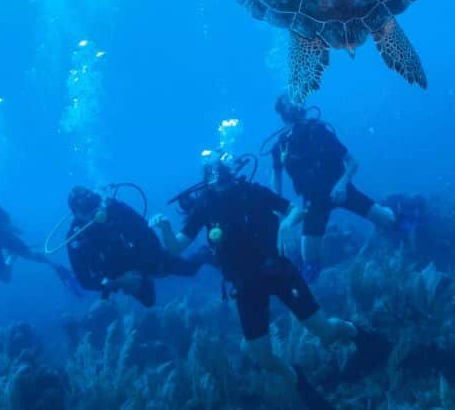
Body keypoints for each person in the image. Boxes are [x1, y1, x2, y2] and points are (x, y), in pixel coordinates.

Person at [152, 153, 367, 408]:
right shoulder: (205, 206)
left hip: (278, 271)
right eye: (214, 170)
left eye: (223, 167)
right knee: (263, 356)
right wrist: (165, 227)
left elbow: (296, 209)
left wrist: (287, 223)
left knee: (325, 332)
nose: (220, 173)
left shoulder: (253, 191)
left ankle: (359, 336)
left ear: (231, 169)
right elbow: (176, 247)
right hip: (245, 285)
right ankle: (299, 382)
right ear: (207, 177)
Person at [268, 95, 397, 281]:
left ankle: (391, 206)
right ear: (282, 113)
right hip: (314, 201)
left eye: (296, 101)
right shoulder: (281, 146)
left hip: (342, 192)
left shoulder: (320, 132)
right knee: (310, 265)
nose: (294, 106)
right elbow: (276, 174)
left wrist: (342, 183)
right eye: (288, 104)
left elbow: (352, 162)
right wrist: (279, 209)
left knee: (389, 222)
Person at [64, 185, 211, 307]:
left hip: (145, 259)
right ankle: (140, 281)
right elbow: (84, 280)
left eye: (96, 208)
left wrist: (140, 272)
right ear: (76, 214)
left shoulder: (115, 209)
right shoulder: (75, 239)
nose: (97, 215)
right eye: (89, 213)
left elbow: (149, 237)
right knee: (149, 302)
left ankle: (204, 254)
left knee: (190, 269)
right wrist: (118, 282)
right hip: (119, 275)